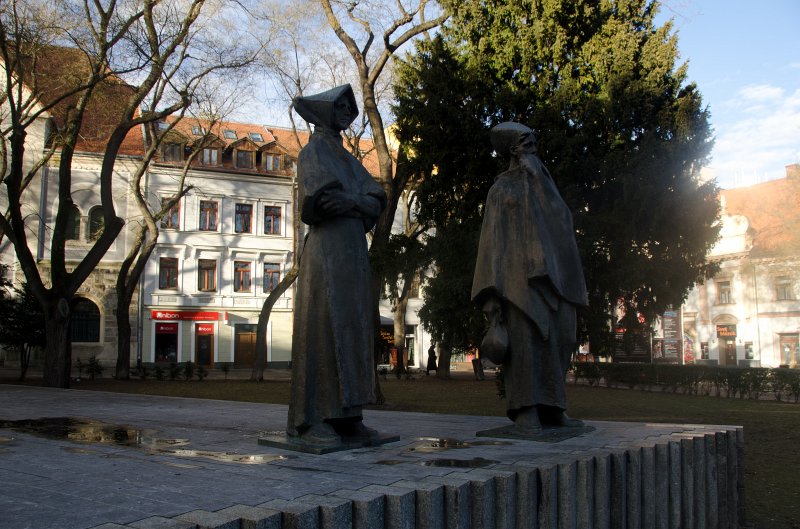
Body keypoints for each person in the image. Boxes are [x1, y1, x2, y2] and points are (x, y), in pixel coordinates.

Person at [471, 122, 588, 434]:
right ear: (512, 149)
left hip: (556, 279)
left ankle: (554, 407)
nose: (533, 147)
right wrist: (491, 295)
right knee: (526, 346)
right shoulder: (501, 190)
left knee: (561, 339)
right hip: (517, 282)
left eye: (534, 140)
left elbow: (563, 227)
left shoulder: (548, 188)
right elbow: (490, 243)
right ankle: (526, 410)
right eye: (525, 142)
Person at [287, 85, 387, 447]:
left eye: (350, 106)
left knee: (354, 330)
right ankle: (314, 418)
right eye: (340, 105)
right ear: (325, 111)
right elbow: (322, 202)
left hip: (353, 255)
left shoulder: (348, 159)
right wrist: (357, 202)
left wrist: (353, 201)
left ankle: (350, 417)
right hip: (326, 253)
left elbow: (378, 201)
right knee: (324, 331)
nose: (346, 111)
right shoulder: (313, 153)